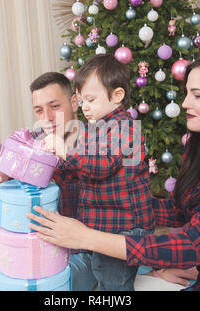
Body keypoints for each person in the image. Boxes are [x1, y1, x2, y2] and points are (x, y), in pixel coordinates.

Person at [28, 53, 200, 291]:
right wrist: (125, 208)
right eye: (186, 94)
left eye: (197, 95)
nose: (184, 104)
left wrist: (87, 236)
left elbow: (196, 244)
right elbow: (182, 211)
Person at [0, 71, 194, 290]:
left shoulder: (102, 143)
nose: (48, 118)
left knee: (50, 285)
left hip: (88, 249)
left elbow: (132, 210)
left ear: (74, 102)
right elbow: (7, 157)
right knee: (5, 187)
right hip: (42, 241)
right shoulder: (36, 142)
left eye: (55, 106)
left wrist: (156, 266)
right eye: (39, 111)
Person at [44, 54, 155, 290]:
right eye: (82, 100)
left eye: (91, 99)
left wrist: (65, 151)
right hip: (106, 224)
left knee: (114, 281)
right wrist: (51, 165)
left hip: (124, 226)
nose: (84, 107)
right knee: (103, 272)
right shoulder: (96, 130)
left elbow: (100, 165)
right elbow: (78, 169)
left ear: (117, 96)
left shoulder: (125, 128)